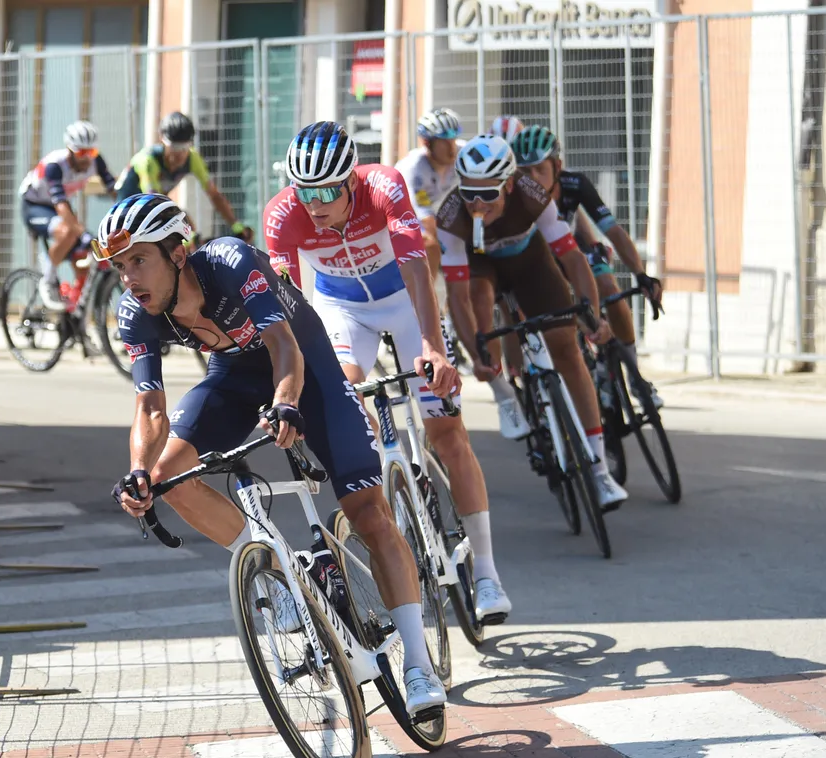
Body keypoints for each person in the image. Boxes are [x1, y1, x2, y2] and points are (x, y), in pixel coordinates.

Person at [105, 193, 447, 715]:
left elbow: (285, 346)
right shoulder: (136, 312)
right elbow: (150, 407)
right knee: (167, 477)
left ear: (177, 254)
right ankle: (284, 573)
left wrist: (286, 403)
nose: (129, 278)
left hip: (307, 367)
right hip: (234, 379)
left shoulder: (229, 261)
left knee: (368, 512)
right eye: (120, 267)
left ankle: (419, 665)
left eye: (138, 260)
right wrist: (137, 473)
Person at [265, 121, 513, 623]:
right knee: (345, 393)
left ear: (351, 182)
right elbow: (285, 306)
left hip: (402, 301)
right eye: (305, 191)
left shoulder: (383, 185)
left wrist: (433, 347)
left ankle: (487, 572)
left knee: (448, 434)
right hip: (341, 310)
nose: (315, 204)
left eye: (327, 191)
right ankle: (381, 486)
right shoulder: (284, 214)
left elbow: (417, 269)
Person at [436, 134, 629, 509]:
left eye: (487, 194)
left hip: (529, 262)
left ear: (509, 184)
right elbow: (457, 298)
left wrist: (591, 314)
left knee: (567, 351)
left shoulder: (531, 193)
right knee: (480, 300)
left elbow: (572, 258)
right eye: (469, 194)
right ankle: (503, 393)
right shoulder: (451, 216)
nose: (476, 205)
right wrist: (476, 353)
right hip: (482, 267)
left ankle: (600, 470)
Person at [395, 108, 530, 440]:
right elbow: (426, 223)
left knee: (485, 295)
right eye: (444, 142)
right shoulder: (412, 169)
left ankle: (511, 373)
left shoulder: (464, 157)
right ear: (427, 143)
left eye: (454, 140)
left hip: (464, 234)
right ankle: (428, 304)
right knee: (430, 243)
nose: (452, 148)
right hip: (423, 238)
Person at [510, 125, 664, 408]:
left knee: (609, 288)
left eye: (539, 169)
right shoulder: (516, 197)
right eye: (524, 171)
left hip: (573, 253)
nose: (532, 178)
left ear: (557, 167)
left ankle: (634, 374)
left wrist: (641, 274)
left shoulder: (575, 184)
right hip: (540, 263)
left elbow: (613, 231)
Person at [18, 121, 117, 311]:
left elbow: (114, 191)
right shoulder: (55, 165)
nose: (87, 158)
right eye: (81, 153)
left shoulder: (96, 162)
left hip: (59, 208)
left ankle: (73, 312)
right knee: (69, 232)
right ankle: (48, 279)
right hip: (35, 206)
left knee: (83, 259)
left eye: (91, 152)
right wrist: (82, 233)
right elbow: (61, 205)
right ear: (70, 150)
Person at [115, 112, 253, 242]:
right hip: (126, 216)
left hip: (150, 209)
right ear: (162, 141)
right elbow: (153, 201)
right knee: (182, 224)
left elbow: (215, 195)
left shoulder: (193, 158)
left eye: (184, 147)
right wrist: (186, 234)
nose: (179, 154)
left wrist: (236, 225)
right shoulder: (148, 161)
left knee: (184, 222)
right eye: (174, 147)